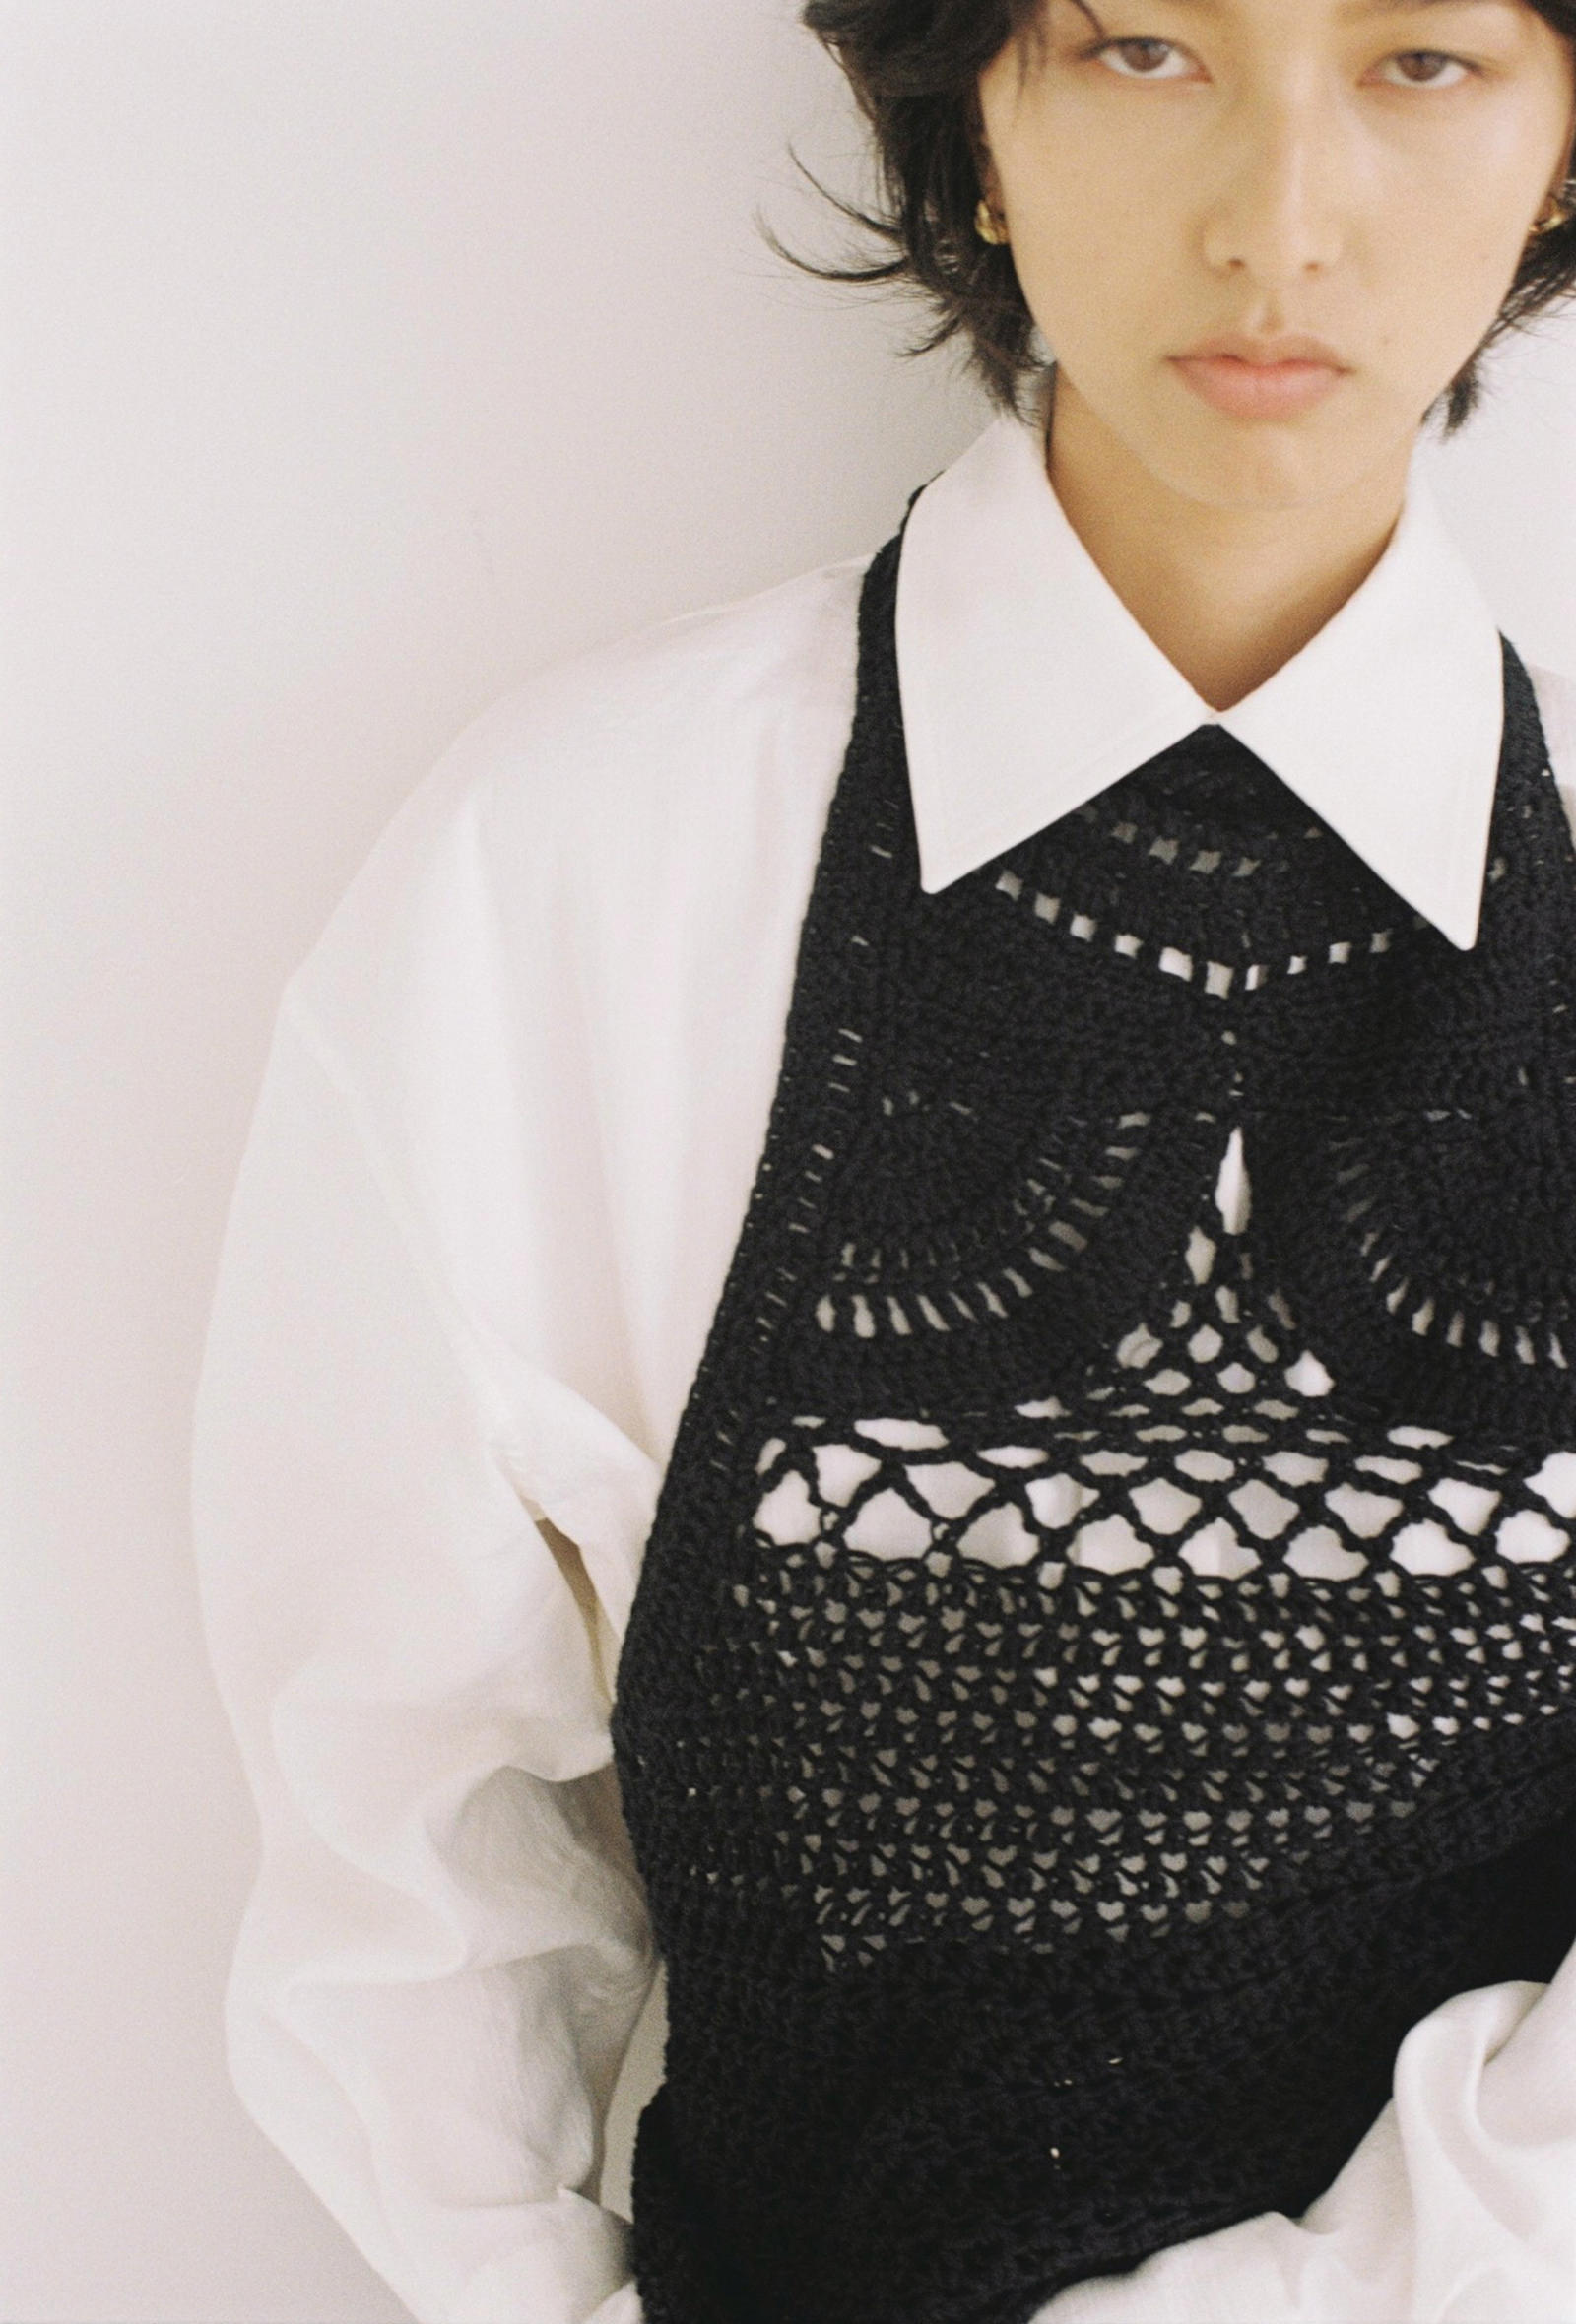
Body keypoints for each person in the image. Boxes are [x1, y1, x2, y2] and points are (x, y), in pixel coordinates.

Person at [190, 1, 1576, 2319]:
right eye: (1142, 49)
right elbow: (403, 1843)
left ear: (1559, 148)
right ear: (972, 120)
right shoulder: (581, 865)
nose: (1278, 220)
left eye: (1419, 62)